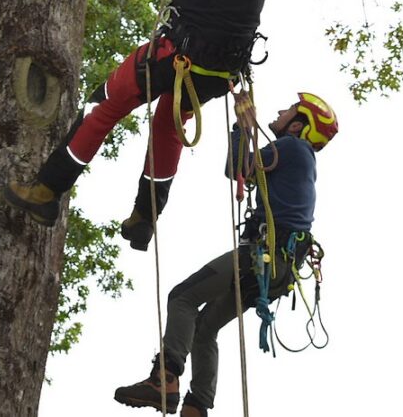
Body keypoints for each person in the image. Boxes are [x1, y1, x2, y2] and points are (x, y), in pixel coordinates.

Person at [4, 0, 278, 251]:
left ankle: (46, 192)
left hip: (175, 56)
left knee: (105, 106)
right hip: (218, 75)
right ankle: (144, 220)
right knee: (168, 125)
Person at [113, 92, 339, 416]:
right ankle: (197, 407)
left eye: (289, 109)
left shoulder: (292, 147)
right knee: (205, 329)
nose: (280, 109)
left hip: (264, 256)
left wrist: (243, 125)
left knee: (182, 297)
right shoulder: (298, 155)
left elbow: (237, 168)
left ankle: (165, 378)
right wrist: (243, 127)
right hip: (278, 270)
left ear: (297, 126)